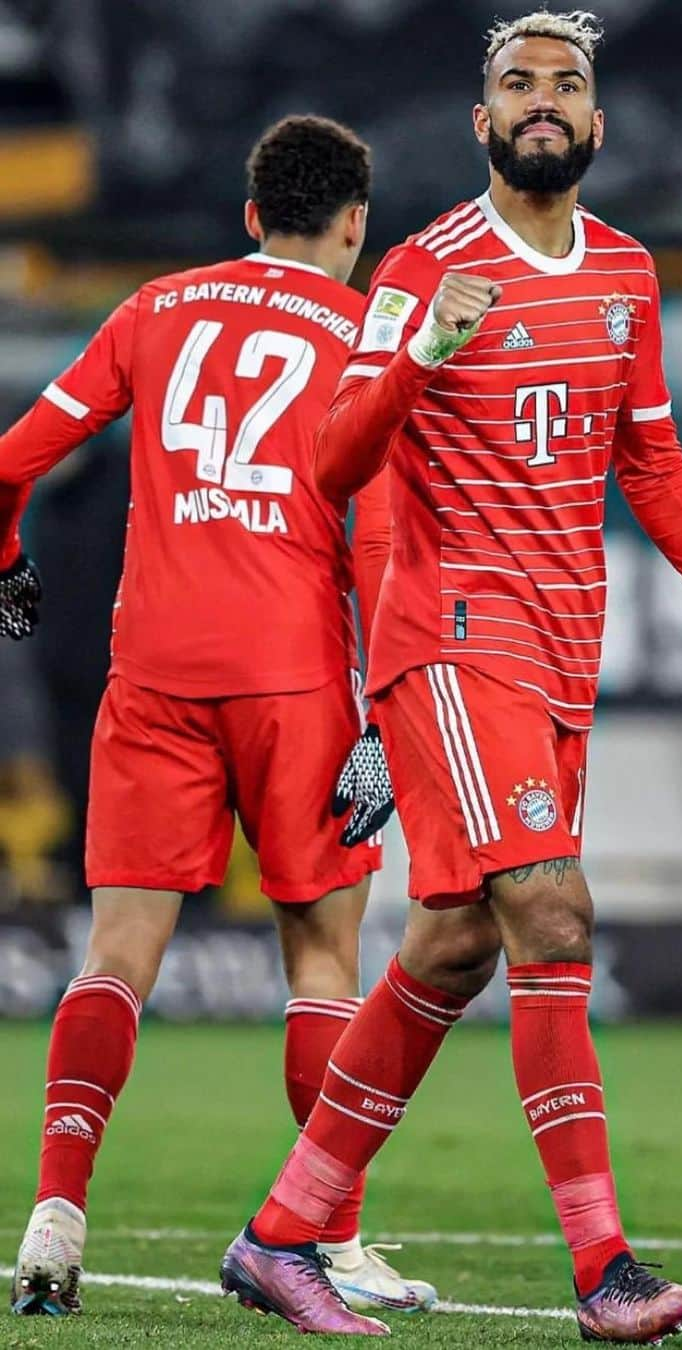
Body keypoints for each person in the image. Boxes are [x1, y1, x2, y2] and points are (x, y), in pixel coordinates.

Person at [218, 10, 682, 1341]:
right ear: (481, 124)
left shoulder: (628, 275)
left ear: (597, 125)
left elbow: (651, 464)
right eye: (517, 85)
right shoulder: (424, 270)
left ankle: (280, 1232)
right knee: (550, 911)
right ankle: (607, 1268)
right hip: (452, 634)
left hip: (562, 649)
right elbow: (329, 458)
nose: (543, 102)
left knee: (457, 939)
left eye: (567, 84)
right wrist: (420, 356)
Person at [0, 116, 429, 1324]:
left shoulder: (156, 308)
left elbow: (10, 461)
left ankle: (55, 1210)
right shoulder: (364, 335)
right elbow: (382, 542)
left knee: (117, 954)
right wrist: (383, 718)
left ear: (249, 217)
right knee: (323, 959)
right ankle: (330, 1239)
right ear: (357, 224)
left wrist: (5, 568)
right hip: (295, 677)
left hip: (154, 673)